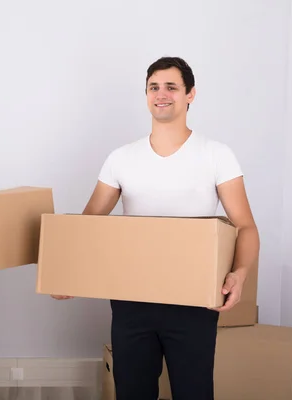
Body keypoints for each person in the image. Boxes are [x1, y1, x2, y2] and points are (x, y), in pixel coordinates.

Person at [52, 57, 259, 399]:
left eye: (171, 87)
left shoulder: (216, 155)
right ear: (146, 95)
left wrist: (240, 273)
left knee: (193, 392)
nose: (161, 94)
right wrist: (66, 272)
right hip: (132, 299)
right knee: (133, 392)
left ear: (190, 94)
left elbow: (247, 227)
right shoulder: (121, 158)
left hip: (194, 301)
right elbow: (86, 225)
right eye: (153, 87)